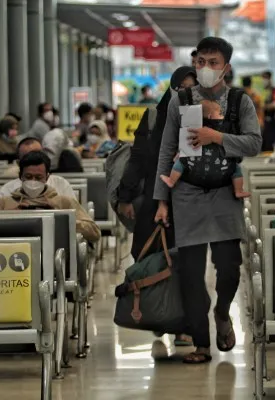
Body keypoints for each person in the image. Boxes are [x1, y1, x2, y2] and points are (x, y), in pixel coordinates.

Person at [154, 37, 262, 364]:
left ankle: (222, 311)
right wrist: (162, 201)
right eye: (200, 61)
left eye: (213, 62)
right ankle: (201, 343)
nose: (205, 68)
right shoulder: (180, 99)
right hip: (186, 194)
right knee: (190, 273)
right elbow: (167, 150)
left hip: (225, 194)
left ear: (226, 67)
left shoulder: (240, 101)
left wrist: (217, 137)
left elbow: (254, 144)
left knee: (229, 268)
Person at [118, 66, 197, 348]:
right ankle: (158, 312)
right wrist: (126, 196)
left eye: (192, 88)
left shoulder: (203, 118)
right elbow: (137, 159)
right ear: (171, 88)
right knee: (148, 256)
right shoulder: (152, 117)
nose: (186, 94)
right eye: (181, 88)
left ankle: (185, 326)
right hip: (153, 202)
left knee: (187, 265)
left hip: (189, 203)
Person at [0, 151, 100, 242]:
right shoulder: (4, 203)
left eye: (38, 177)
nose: (33, 181)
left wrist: (61, 218)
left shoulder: (64, 202)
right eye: (28, 177)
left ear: (47, 178)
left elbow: (94, 233)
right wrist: (9, 218)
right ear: (20, 176)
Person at [0, 137, 78, 198]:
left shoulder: (61, 185)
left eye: (38, 155)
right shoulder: (7, 191)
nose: (34, 160)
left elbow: (77, 216)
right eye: (27, 158)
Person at [160, 152, 249, 198]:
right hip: (218, 162)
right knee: (235, 168)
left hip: (198, 161)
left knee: (181, 160)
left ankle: (171, 181)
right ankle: (238, 191)